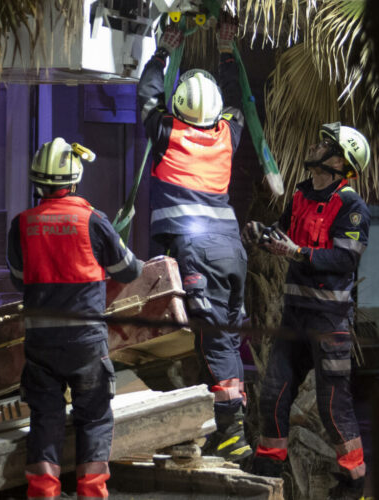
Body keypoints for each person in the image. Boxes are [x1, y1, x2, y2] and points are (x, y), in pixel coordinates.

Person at [136, 18, 253, 462]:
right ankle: (225, 423)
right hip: (231, 250)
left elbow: (147, 95)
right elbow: (239, 100)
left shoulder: (168, 135)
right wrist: (227, 49)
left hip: (197, 252)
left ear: (180, 107)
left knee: (214, 341)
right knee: (225, 335)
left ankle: (230, 431)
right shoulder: (228, 135)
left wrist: (163, 52)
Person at [6, 138, 143, 500]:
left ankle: (43, 493)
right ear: (75, 177)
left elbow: (18, 279)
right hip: (85, 342)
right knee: (94, 417)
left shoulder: (21, 224)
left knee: (45, 419)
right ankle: (91, 493)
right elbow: (127, 272)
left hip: (40, 345)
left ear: (38, 180)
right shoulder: (93, 220)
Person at [243, 123, 371, 500]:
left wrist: (297, 253)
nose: (315, 146)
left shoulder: (352, 207)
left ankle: (353, 482)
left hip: (328, 323)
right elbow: (283, 234)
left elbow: (344, 259)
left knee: (334, 407)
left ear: (340, 161)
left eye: (325, 145)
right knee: (274, 393)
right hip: (294, 316)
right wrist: (262, 235)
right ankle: (268, 465)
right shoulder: (300, 194)